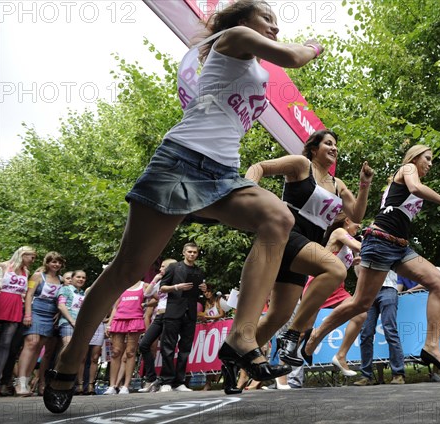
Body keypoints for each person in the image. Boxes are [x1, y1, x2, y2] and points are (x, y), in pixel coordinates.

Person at [43, 0, 323, 412]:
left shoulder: (251, 67)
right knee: (128, 267)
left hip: (223, 173)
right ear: (242, 19)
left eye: (278, 22)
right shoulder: (233, 37)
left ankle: (242, 335)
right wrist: (313, 46)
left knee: (278, 217)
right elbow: (295, 57)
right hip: (181, 161)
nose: (275, 27)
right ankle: (69, 358)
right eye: (268, 18)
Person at [304, 144, 440, 373]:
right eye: (427, 158)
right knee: (361, 303)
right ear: (415, 158)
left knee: (439, 282)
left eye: (431, 159)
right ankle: (314, 336)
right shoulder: (408, 168)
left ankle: (432, 346)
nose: (430, 163)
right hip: (381, 241)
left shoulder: (399, 181)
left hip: (400, 247)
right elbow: (415, 188)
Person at [246, 129, 374, 367]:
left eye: (336, 145)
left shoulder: (338, 184)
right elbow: (260, 166)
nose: (334, 148)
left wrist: (364, 184)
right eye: (328, 143)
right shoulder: (300, 165)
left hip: (305, 246)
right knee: (336, 269)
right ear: (314, 148)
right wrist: (248, 190)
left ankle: (237, 358)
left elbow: (356, 213)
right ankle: (293, 336)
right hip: (286, 235)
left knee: (278, 315)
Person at [301, 213, 365, 376]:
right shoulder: (339, 233)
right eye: (357, 223)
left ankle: (341, 356)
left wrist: (355, 262)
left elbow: (342, 261)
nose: (359, 227)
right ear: (347, 220)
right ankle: (281, 372)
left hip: (337, 288)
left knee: (360, 315)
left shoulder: (346, 242)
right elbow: (359, 247)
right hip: (320, 283)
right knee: (301, 331)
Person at [157, 243, 205, 393]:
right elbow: (162, 287)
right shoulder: (173, 267)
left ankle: (179, 382)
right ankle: (166, 381)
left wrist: (203, 289)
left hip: (190, 313)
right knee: (168, 347)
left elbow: (198, 294)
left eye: (195, 252)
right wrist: (177, 287)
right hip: (173, 312)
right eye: (189, 252)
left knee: (185, 348)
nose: (192, 254)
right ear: (184, 252)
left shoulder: (199, 271)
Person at [16, 252, 65, 396]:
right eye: (53, 262)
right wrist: (28, 314)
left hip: (50, 315)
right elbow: (29, 294)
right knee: (32, 342)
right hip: (36, 310)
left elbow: (62, 299)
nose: (56, 264)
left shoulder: (61, 280)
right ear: (47, 263)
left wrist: (58, 312)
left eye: (58, 262)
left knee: (38, 348)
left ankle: (28, 380)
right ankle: (20, 381)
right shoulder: (38, 276)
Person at [353, 270, 406, 386]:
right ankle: (366, 376)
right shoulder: (361, 252)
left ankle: (398, 374)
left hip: (388, 288)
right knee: (365, 333)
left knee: (390, 330)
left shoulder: (391, 250)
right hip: (368, 292)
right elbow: (359, 274)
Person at [0, 246, 37, 392]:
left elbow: (26, 293)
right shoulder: (2, 266)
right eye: (31, 257)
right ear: (22, 254)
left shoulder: (26, 272)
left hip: (15, 307)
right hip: (0, 302)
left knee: (6, 345)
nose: (33, 260)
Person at [102, 279, 151, 395]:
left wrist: (146, 304)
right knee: (116, 352)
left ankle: (125, 386)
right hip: (119, 319)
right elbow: (115, 307)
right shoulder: (121, 284)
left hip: (135, 319)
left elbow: (157, 297)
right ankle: (112, 386)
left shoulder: (144, 286)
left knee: (130, 352)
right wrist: (109, 325)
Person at [138, 258, 177, 393]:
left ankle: (167, 381)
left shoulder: (176, 280)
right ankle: (151, 378)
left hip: (171, 316)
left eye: (163, 267)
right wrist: (155, 278)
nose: (160, 269)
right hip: (159, 316)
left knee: (167, 348)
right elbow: (147, 293)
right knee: (143, 344)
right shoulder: (160, 280)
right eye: (160, 267)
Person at [55, 270, 87, 393]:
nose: (81, 279)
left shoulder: (83, 293)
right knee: (67, 349)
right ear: (72, 278)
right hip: (67, 323)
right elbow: (61, 306)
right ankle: (58, 377)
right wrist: (72, 321)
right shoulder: (65, 289)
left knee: (78, 354)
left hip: (80, 326)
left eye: (83, 278)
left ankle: (75, 383)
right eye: (78, 277)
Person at [199, 284, 227, 390]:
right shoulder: (207, 303)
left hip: (221, 330)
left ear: (212, 291)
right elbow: (205, 314)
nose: (206, 294)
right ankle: (208, 383)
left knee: (223, 357)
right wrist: (202, 317)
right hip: (212, 332)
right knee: (210, 357)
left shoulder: (218, 300)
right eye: (205, 292)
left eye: (208, 291)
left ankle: (226, 380)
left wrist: (207, 316)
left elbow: (222, 314)